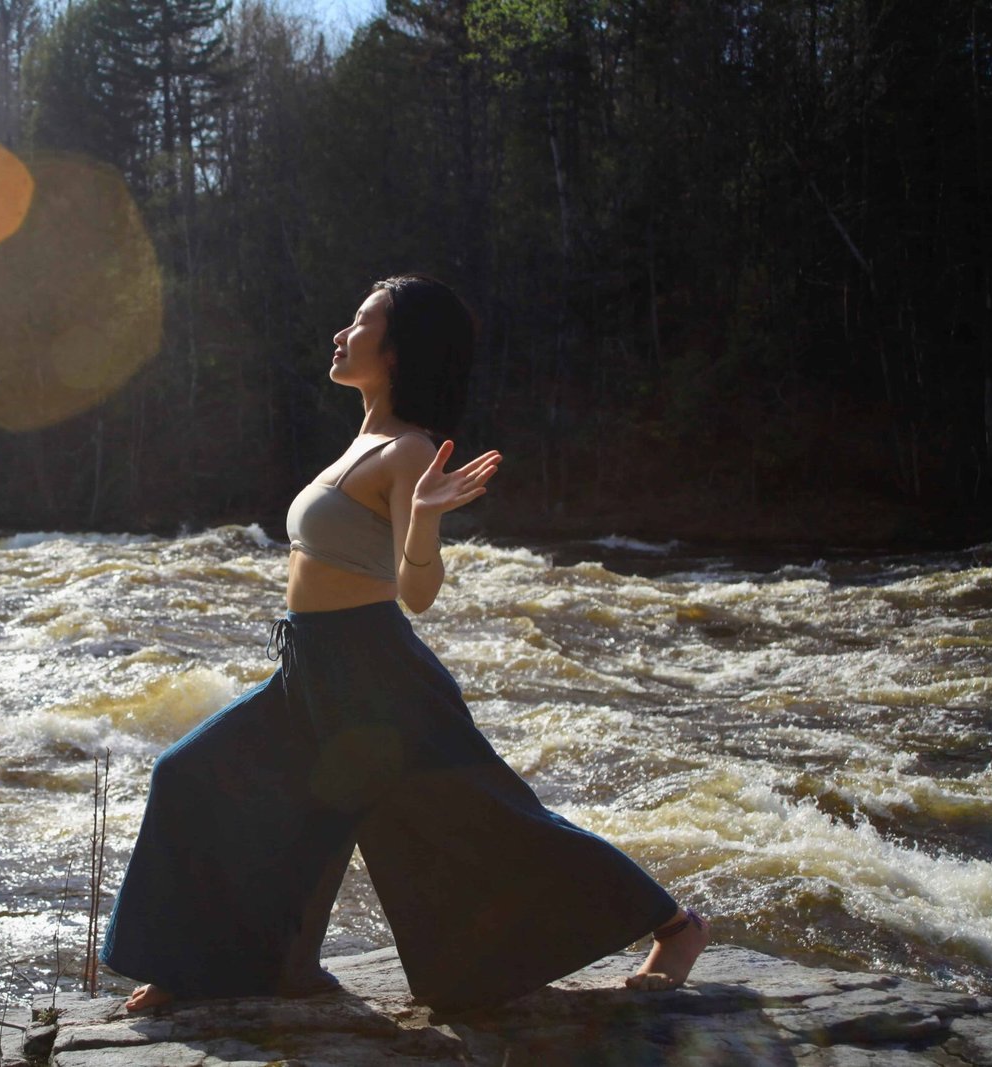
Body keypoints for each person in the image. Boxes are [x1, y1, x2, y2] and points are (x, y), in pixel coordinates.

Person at [98, 273, 709, 1014]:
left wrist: (421, 518)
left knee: (493, 820)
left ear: (396, 352)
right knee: (197, 777)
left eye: (359, 322)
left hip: (375, 674)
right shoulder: (364, 439)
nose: (340, 333)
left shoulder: (411, 451)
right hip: (309, 665)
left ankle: (675, 926)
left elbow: (417, 590)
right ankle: (235, 966)